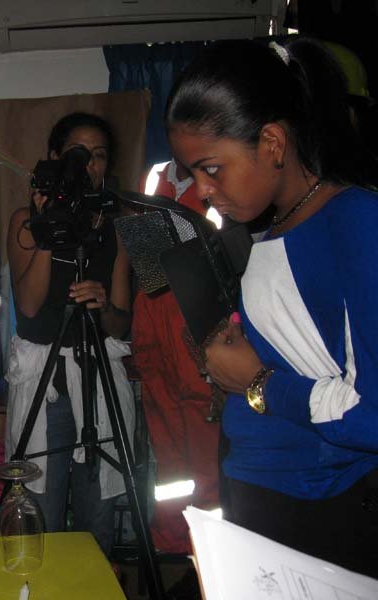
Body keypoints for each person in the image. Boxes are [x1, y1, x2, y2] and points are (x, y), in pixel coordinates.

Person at [165, 37, 378, 577]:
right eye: (193, 173)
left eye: (212, 168)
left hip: (318, 506)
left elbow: (371, 414)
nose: (202, 190)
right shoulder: (273, 226)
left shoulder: (355, 220)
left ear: (272, 142)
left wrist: (257, 382)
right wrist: (230, 359)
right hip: (256, 486)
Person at [5, 112, 135, 555]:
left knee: (96, 520)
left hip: (97, 381)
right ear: (55, 157)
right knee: (40, 513)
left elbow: (120, 324)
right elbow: (28, 307)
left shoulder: (116, 227)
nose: (89, 166)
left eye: (99, 156)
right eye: (79, 155)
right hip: (46, 386)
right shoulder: (25, 221)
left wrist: (104, 303)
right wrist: (50, 225)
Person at [132, 159, 220, 555]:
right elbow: (149, 268)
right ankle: (170, 543)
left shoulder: (220, 172)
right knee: (168, 458)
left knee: (206, 455)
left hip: (200, 328)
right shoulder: (155, 176)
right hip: (154, 329)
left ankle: (212, 550)